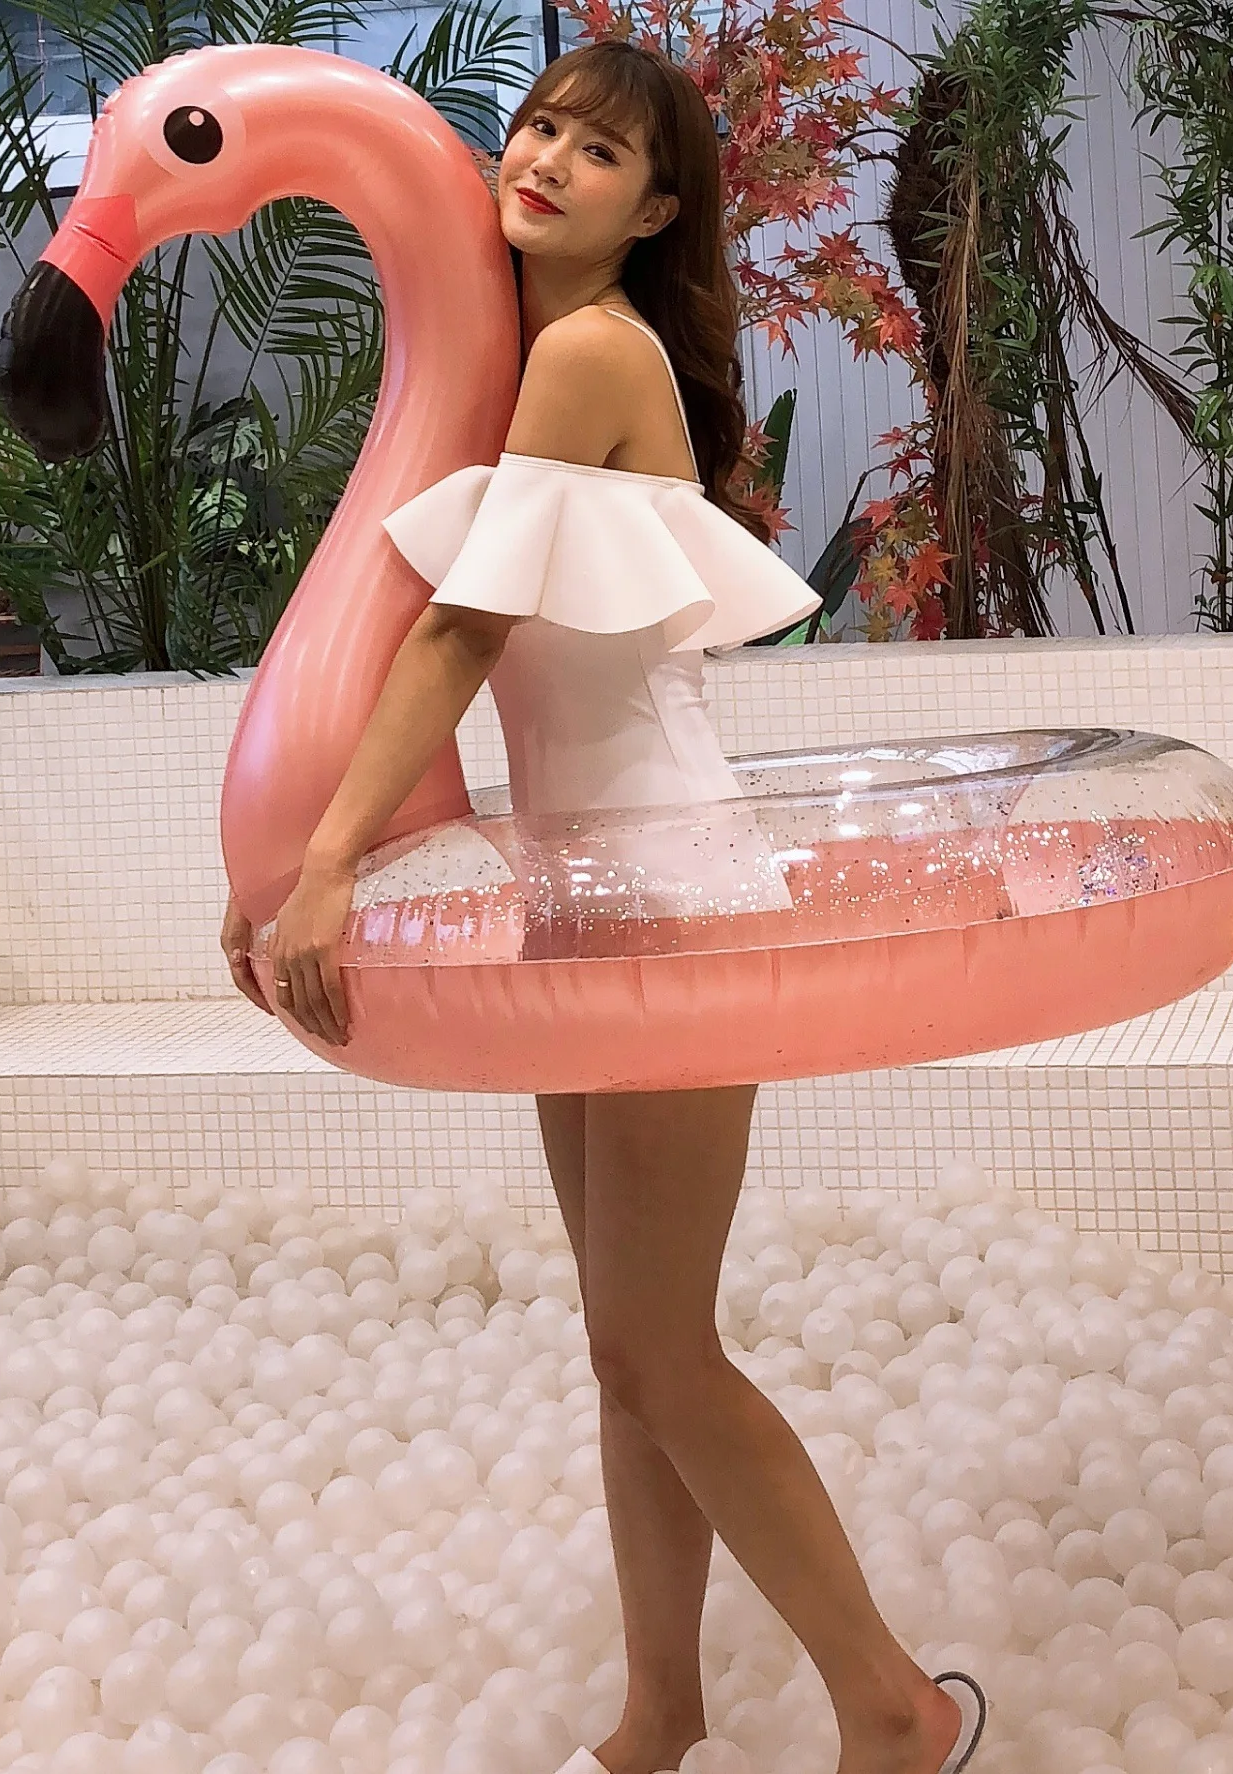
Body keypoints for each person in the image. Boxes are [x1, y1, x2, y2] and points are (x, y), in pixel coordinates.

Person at [221, 38, 984, 1774]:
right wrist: (285, 857)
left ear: (654, 211)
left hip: (665, 886)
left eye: (600, 151)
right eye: (540, 124)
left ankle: (896, 1708)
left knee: (657, 1345)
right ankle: (660, 1714)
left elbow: (458, 635)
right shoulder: (521, 356)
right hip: (587, 885)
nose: (547, 158)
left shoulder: (584, 352)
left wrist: (323, 863)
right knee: (626, 1351)